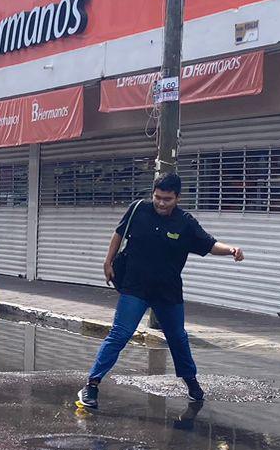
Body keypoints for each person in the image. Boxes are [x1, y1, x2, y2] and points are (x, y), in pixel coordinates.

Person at [78, 173, 245, 410]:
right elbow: (119, 233)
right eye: (157, 197)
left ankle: (191, 382)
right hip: (135, 287)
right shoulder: (139, 210)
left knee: (177, 338)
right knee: (120, 334)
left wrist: (231, 250)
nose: (161, 203)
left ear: (177, 198)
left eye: (167, 199)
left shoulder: (185, 223)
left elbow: (209, 245)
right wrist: (108, 261)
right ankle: (92, 385)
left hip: (168, 291)